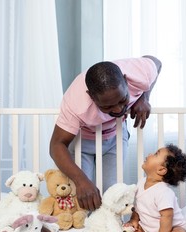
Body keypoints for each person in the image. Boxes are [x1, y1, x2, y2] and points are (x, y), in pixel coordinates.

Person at [50, 56, 162, 211]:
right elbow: (56, 144)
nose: (118, 110)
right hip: (83, 141)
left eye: (123, 100)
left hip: (115, 136)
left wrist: (144, 97)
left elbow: (156, 62)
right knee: (81, 196)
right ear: (91, 96)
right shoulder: (75, 103)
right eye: (108, 106)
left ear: (125, 80)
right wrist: (81, 181)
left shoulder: (138, 73)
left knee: (112, 194)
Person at [123, 143, 186, 232]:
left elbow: (167, 216)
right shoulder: (141, 182)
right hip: (147, 228)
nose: (150, 154)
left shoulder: (163, 192)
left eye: (155, 154)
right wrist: (134, 220)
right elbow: (138, 206)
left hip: (169, 230)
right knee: (131, 229)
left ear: (161, 170)